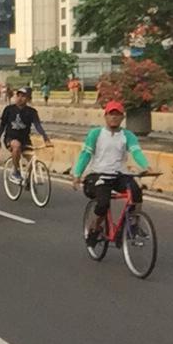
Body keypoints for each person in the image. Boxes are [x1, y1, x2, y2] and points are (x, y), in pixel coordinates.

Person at [72, 102, 154, 246]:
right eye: (111, 114)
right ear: (105, 116)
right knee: (103, 203)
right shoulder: (96, 134)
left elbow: (136, 152)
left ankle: (132, 224)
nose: (114, 118)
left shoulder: (127, 135)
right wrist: (77, 173)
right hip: (99, 175)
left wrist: (146, 166)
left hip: (119, 174)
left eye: (117, 115)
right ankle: (95, 227)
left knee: (136, 193)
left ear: (123, 117)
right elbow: (86, 154)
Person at [0, 89, 52, 184]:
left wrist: (46, 138)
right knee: (16, 146)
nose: (20, 98)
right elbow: (2, 125)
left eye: (23, 96)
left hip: (25, 140)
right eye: (18, 96)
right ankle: (15, 171)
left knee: (32, 160)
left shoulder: (32, 112)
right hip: (11, 138)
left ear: (28, 99)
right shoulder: (9, 109)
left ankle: (28, 180)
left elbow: (38, 125)